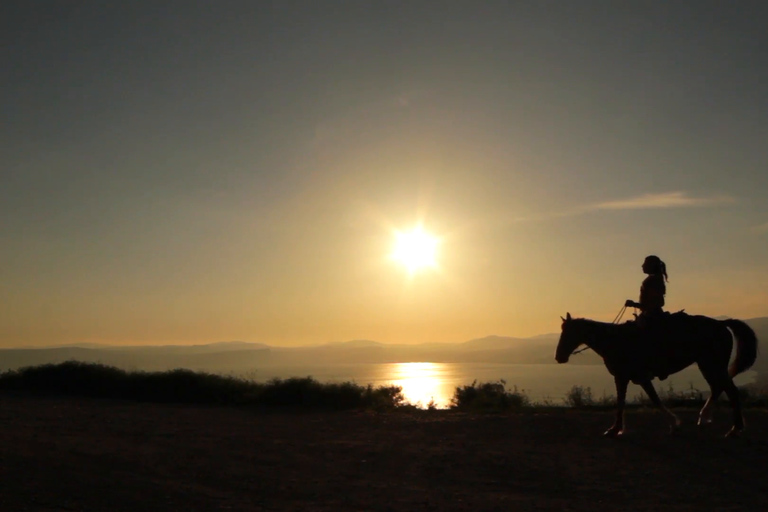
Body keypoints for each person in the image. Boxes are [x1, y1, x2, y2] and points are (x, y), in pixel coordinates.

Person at [625, 255, 669, 378]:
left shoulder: (652, 280)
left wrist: (634, 304)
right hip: (650, 314)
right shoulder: (656, 279)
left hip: (652, 316)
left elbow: (656, 303)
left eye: (645, 263)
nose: (642, 266)